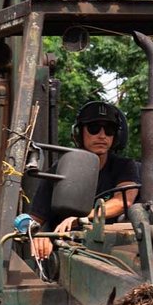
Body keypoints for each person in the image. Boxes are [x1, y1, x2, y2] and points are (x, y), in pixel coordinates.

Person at [29, 100, 141, 259]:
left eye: (109, 130)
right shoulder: (60, 168)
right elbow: (35, 220)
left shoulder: (124, 167)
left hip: (113, 250)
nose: (102, 135)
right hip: (68, 251)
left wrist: (82, 217)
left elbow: (123, 201)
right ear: (78, 133)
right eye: (94, 128)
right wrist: (40, 235)